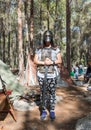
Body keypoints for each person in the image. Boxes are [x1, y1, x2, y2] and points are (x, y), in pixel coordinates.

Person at [34, 30, 62, 120]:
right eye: (46, 36)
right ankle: (43, 111)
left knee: (52, 93)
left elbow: (60, 60)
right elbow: (35, 60)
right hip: (41, 74)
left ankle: (52, 110)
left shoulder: (56, 49)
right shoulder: (39, 49)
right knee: (43, 93)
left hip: (52, 74)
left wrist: (51, 62)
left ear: (51, 37)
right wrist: (44, 62)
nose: (47, 38)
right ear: (44, 38)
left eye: (49, 36)